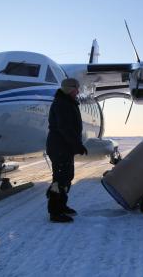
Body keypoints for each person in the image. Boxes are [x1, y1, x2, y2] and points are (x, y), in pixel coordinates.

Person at [46, 78, 88, 223]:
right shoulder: (62, 104)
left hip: (63, 146)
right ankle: (55, 212)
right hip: (59, 146)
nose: (78, 91)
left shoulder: (66, 102)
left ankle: (62, 206)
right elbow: (64, 128)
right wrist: (77, 145)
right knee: (60, 179)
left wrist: (75, 144)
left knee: (66, 176)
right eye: (77, 88)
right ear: (70, 89)